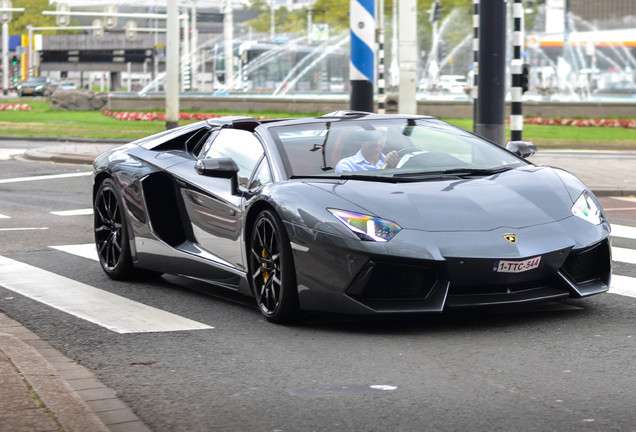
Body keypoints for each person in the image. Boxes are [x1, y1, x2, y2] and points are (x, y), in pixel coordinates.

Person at [334, 129, 400, 173]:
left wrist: (396, 164)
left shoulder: (394, 162)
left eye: (383, 134)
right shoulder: (346, 165)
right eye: (373, 134)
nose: (378, 140)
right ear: (362, 138)